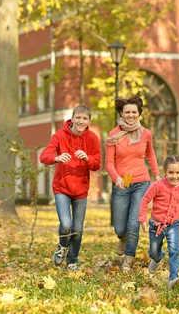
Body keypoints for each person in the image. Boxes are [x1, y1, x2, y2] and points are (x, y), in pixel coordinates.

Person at [40, 104, 101, 272]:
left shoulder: (92, 138)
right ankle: (62, 247)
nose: (81, 121)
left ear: (89, 121)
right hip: (61, 187)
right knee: (66, 225)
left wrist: (88, 159)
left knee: (78, 229)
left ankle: (72, 261)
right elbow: (44, 156)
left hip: (81, 189)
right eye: (78, 117)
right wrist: (56, 157)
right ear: (72, 119)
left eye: (85, 118)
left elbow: (97, 165)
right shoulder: (60, 135)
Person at [105, 95, 160, 272]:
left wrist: (157, 175)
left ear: (139, 114)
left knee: (134, 223)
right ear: (121, 112)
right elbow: (108, 163)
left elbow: (150, 155)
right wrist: (116, 178)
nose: (130, 115)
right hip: (121, 184)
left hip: (141, 182)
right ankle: (122, 238)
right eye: (127, 112)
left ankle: (128, 260)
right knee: (120, 227)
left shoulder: (146, 134)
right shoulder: (113, 135)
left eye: (134, 112)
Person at [138, 155, 179, 290]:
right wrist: (142, 219)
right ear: (165, 172)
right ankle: (158, 258)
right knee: (153, 252)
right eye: (171, 173)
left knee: (175, 250)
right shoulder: (157, 185)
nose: (174, 176)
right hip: (156, 225)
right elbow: (145, 200)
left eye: (178, 172)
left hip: (173, 224)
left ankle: (173, 278)